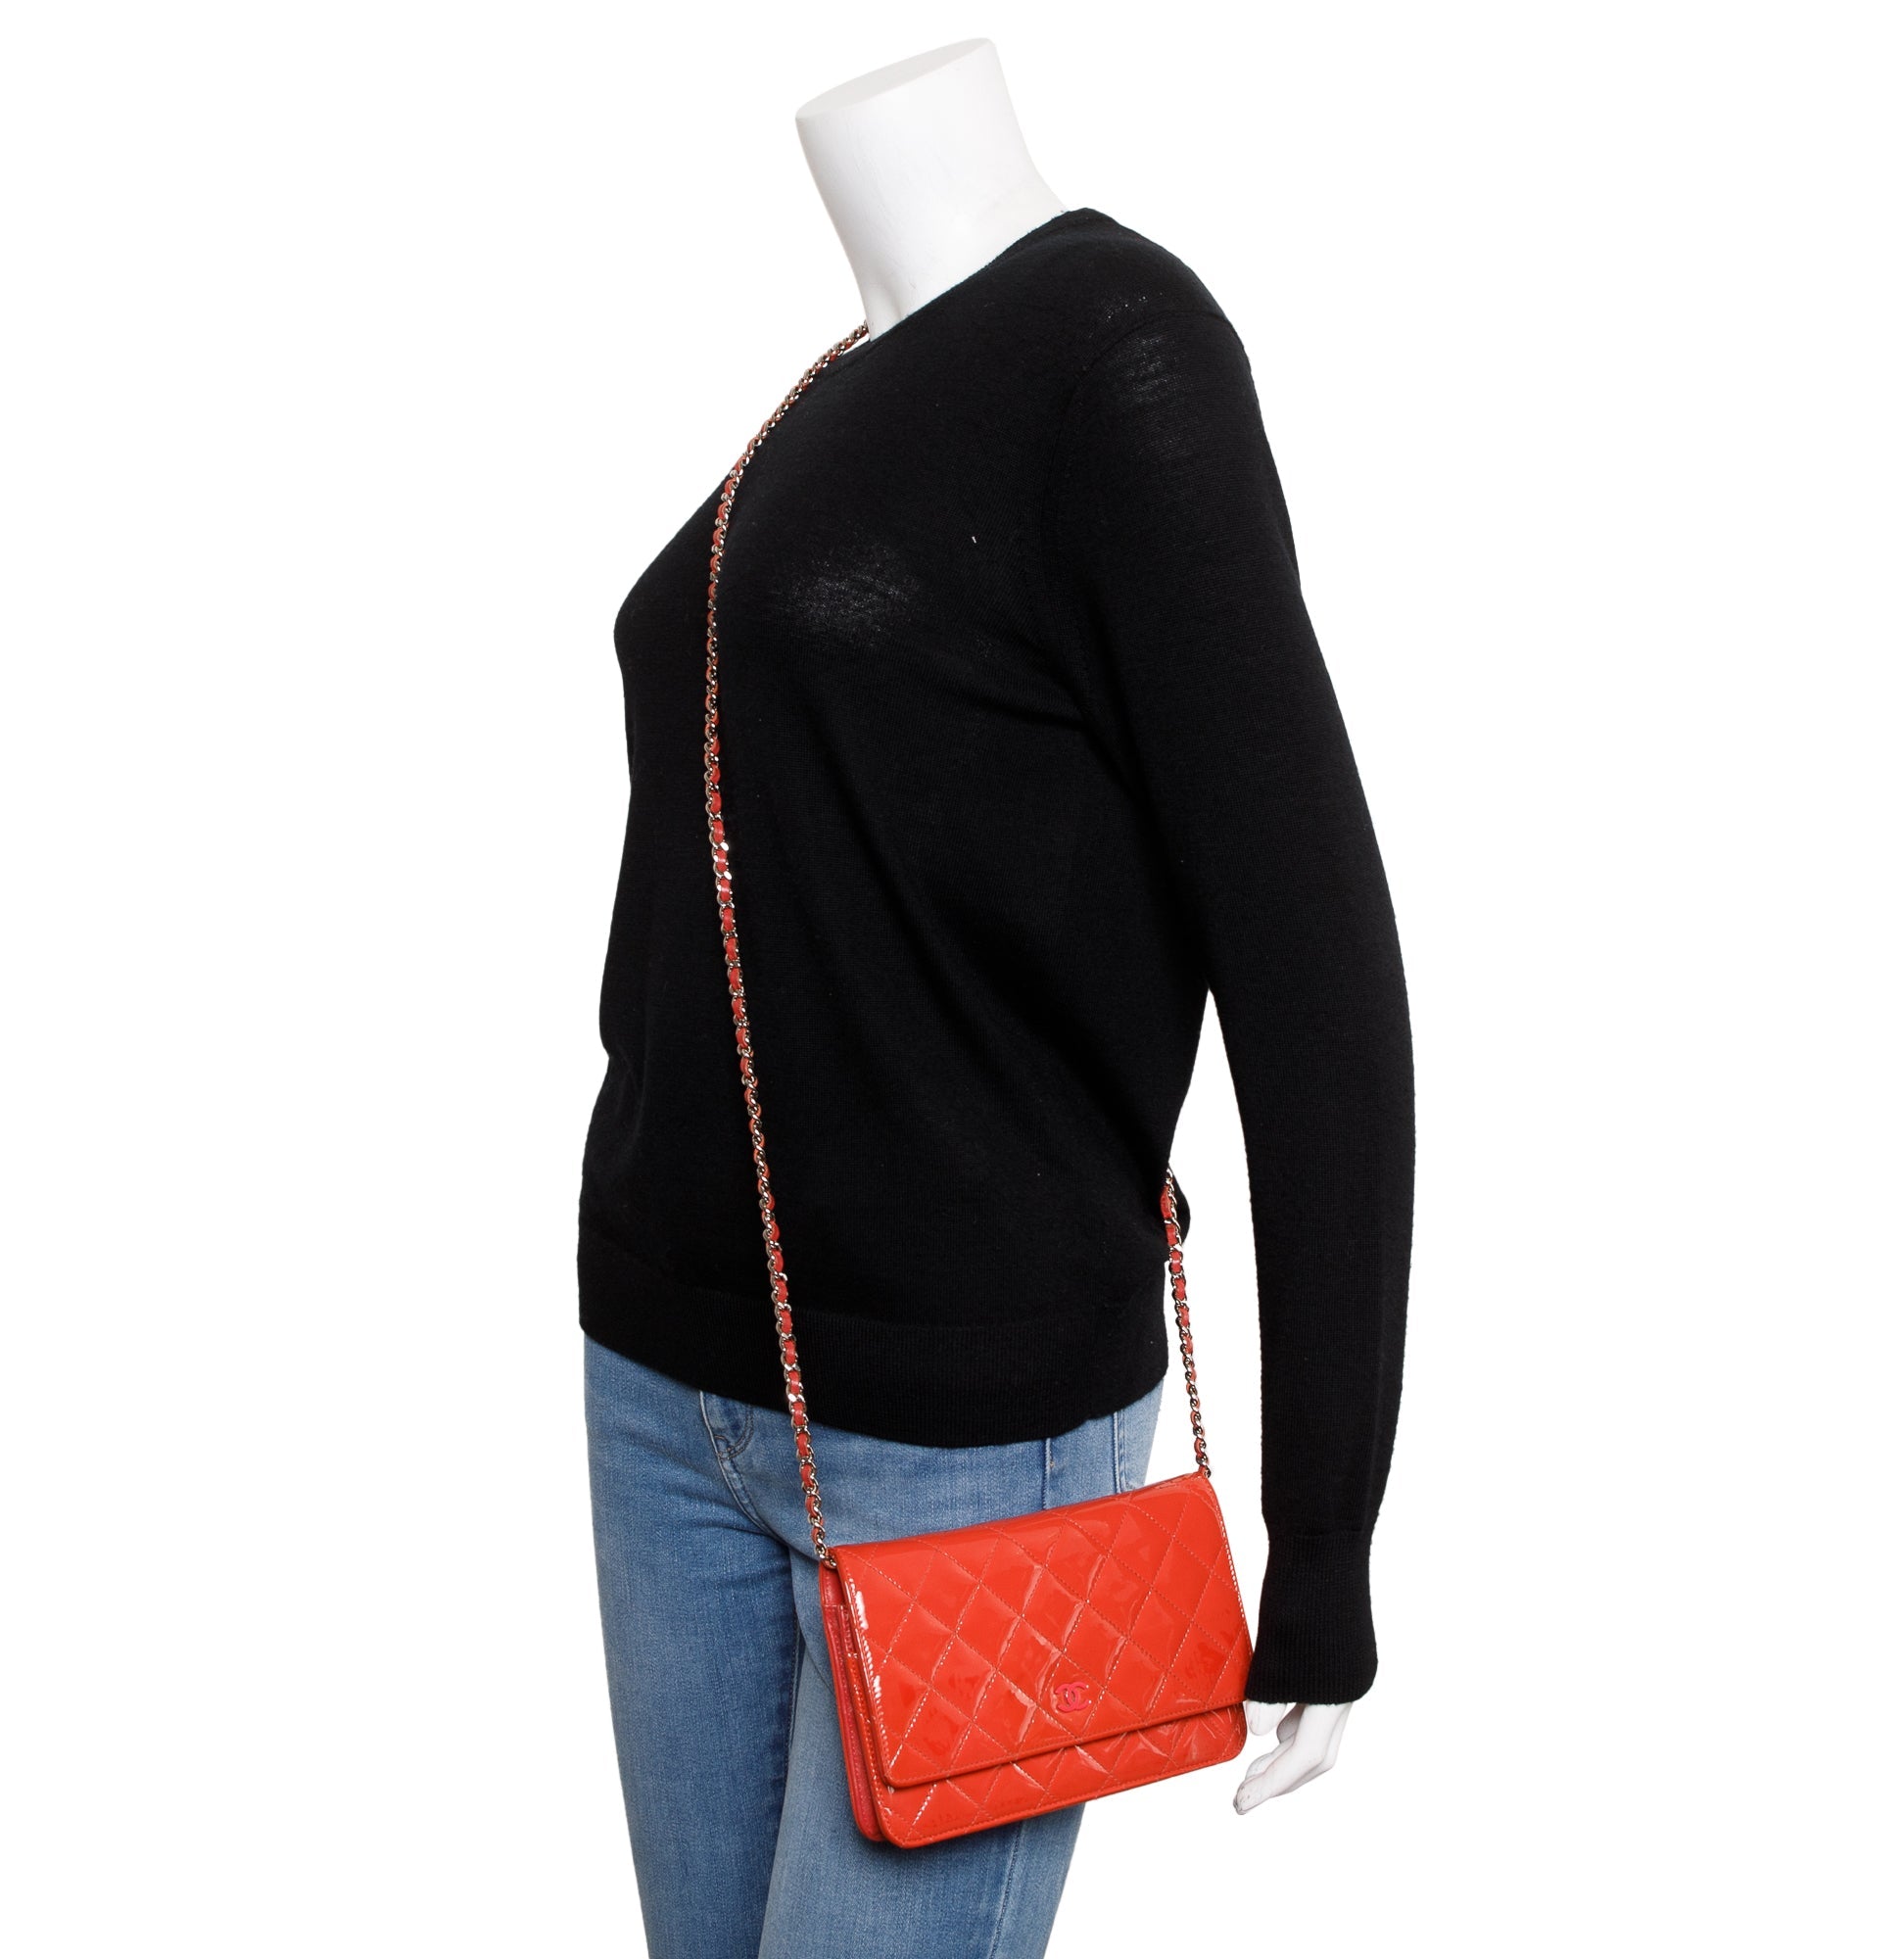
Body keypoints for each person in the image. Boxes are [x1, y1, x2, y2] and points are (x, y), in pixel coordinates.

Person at [578, 40, 1414, 1959]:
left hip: (963, 1443)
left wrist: (1327, 1533)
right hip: (662, 1385)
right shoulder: (828, 393)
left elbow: (1316, 971)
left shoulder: (1117, 350)